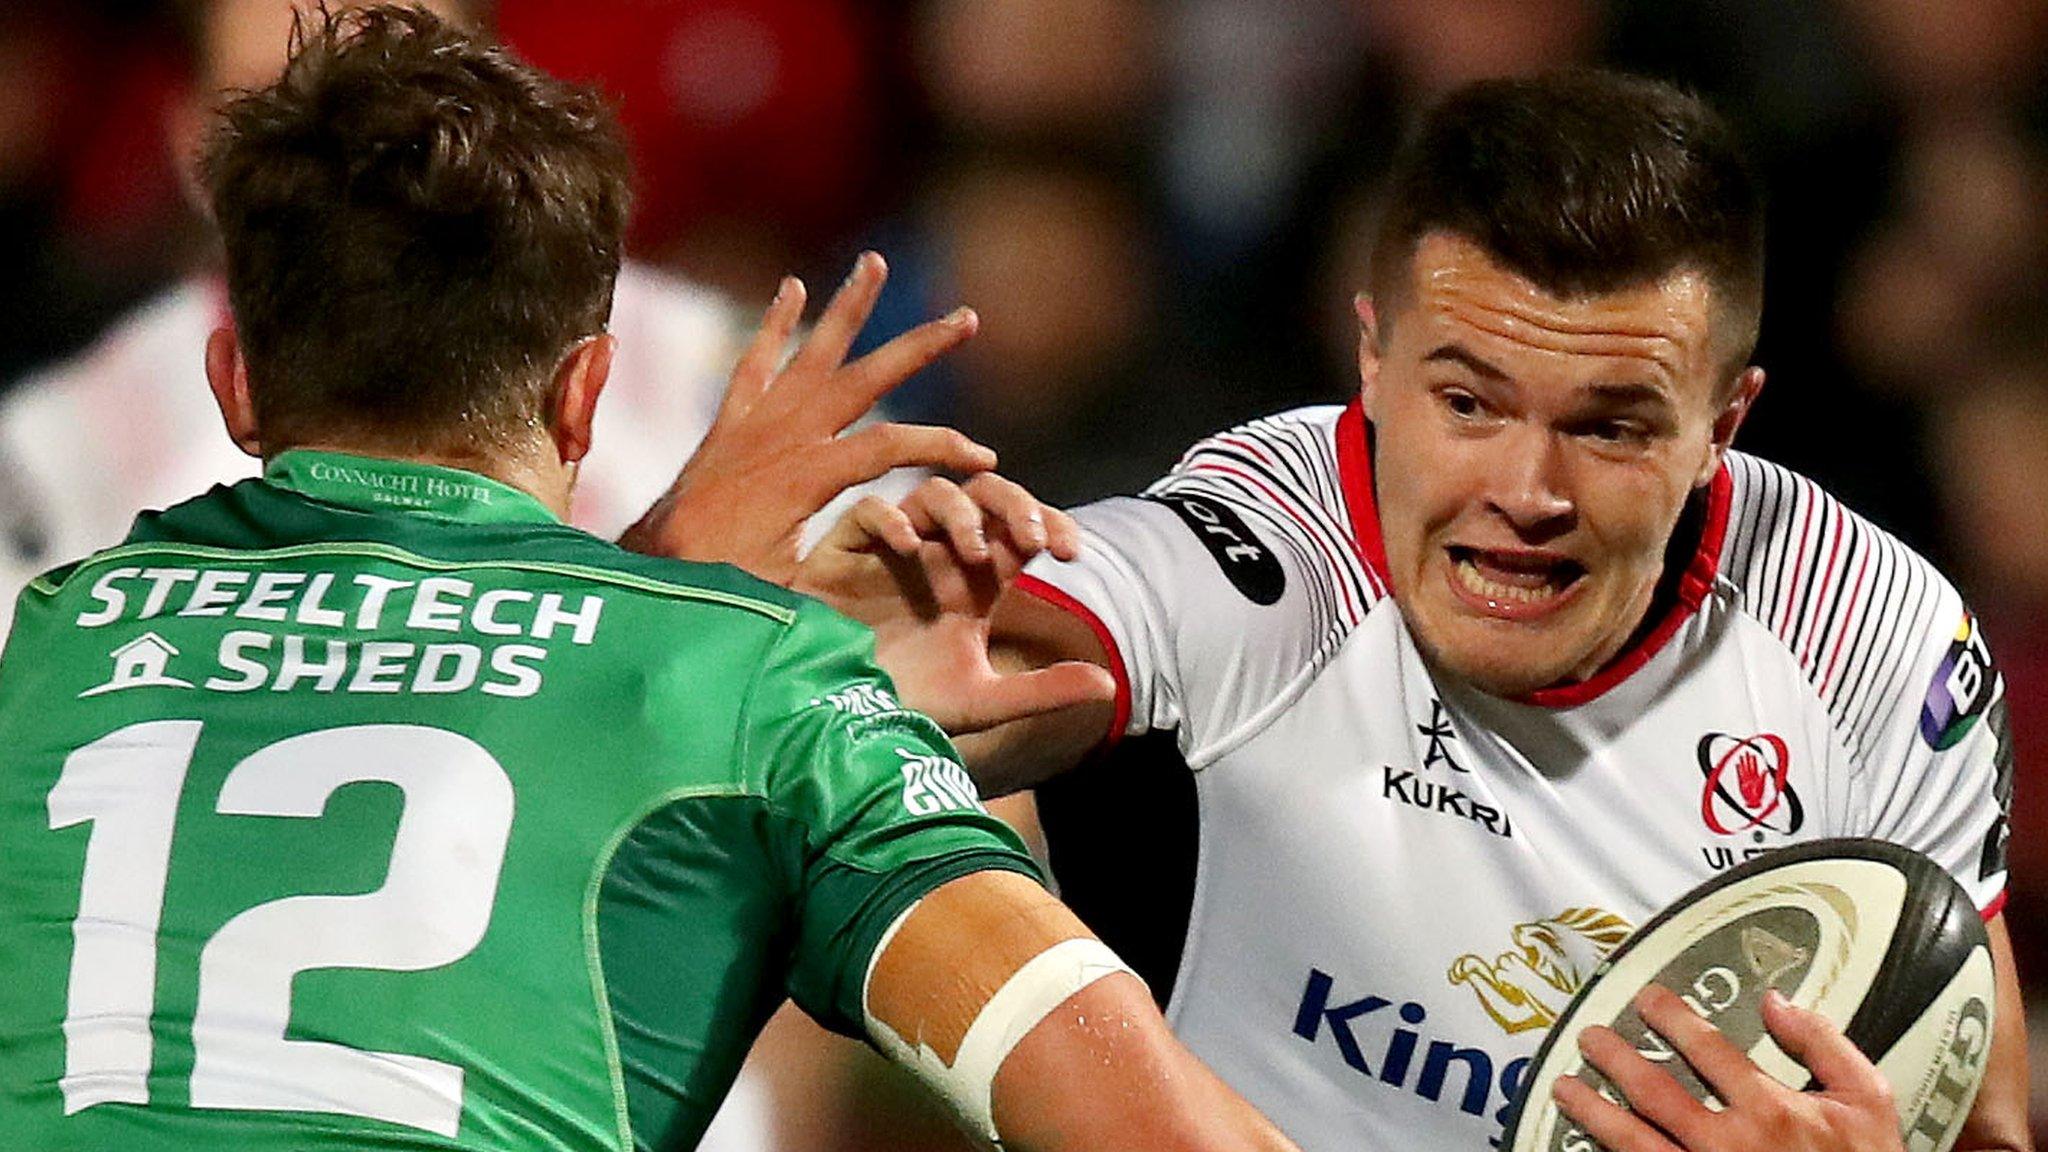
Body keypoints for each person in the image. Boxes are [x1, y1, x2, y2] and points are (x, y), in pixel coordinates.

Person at [0, 10, 1301, 1152]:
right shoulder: (754, 694)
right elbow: (1141, 1121)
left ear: (232, 381)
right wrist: (731, 650)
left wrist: (661, 602)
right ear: (585, 395)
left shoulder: (47, 642)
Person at [797, 72, 2032, 1151]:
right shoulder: (1283, 540)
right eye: (1468, 403)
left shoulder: (1872, 641)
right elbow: (1003, 658)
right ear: (1373, 361)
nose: (1525, 494)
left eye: (1606, 426)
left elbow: (1983, 1120)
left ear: (1721, 424)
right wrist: (833, 651)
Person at [0, 0, 923, 648]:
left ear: (503, 88)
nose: (357, 167)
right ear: (185, 137)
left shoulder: (731, 384)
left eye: (406, 105)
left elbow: (921, 688)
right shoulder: (60, 450)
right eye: (279, 112)